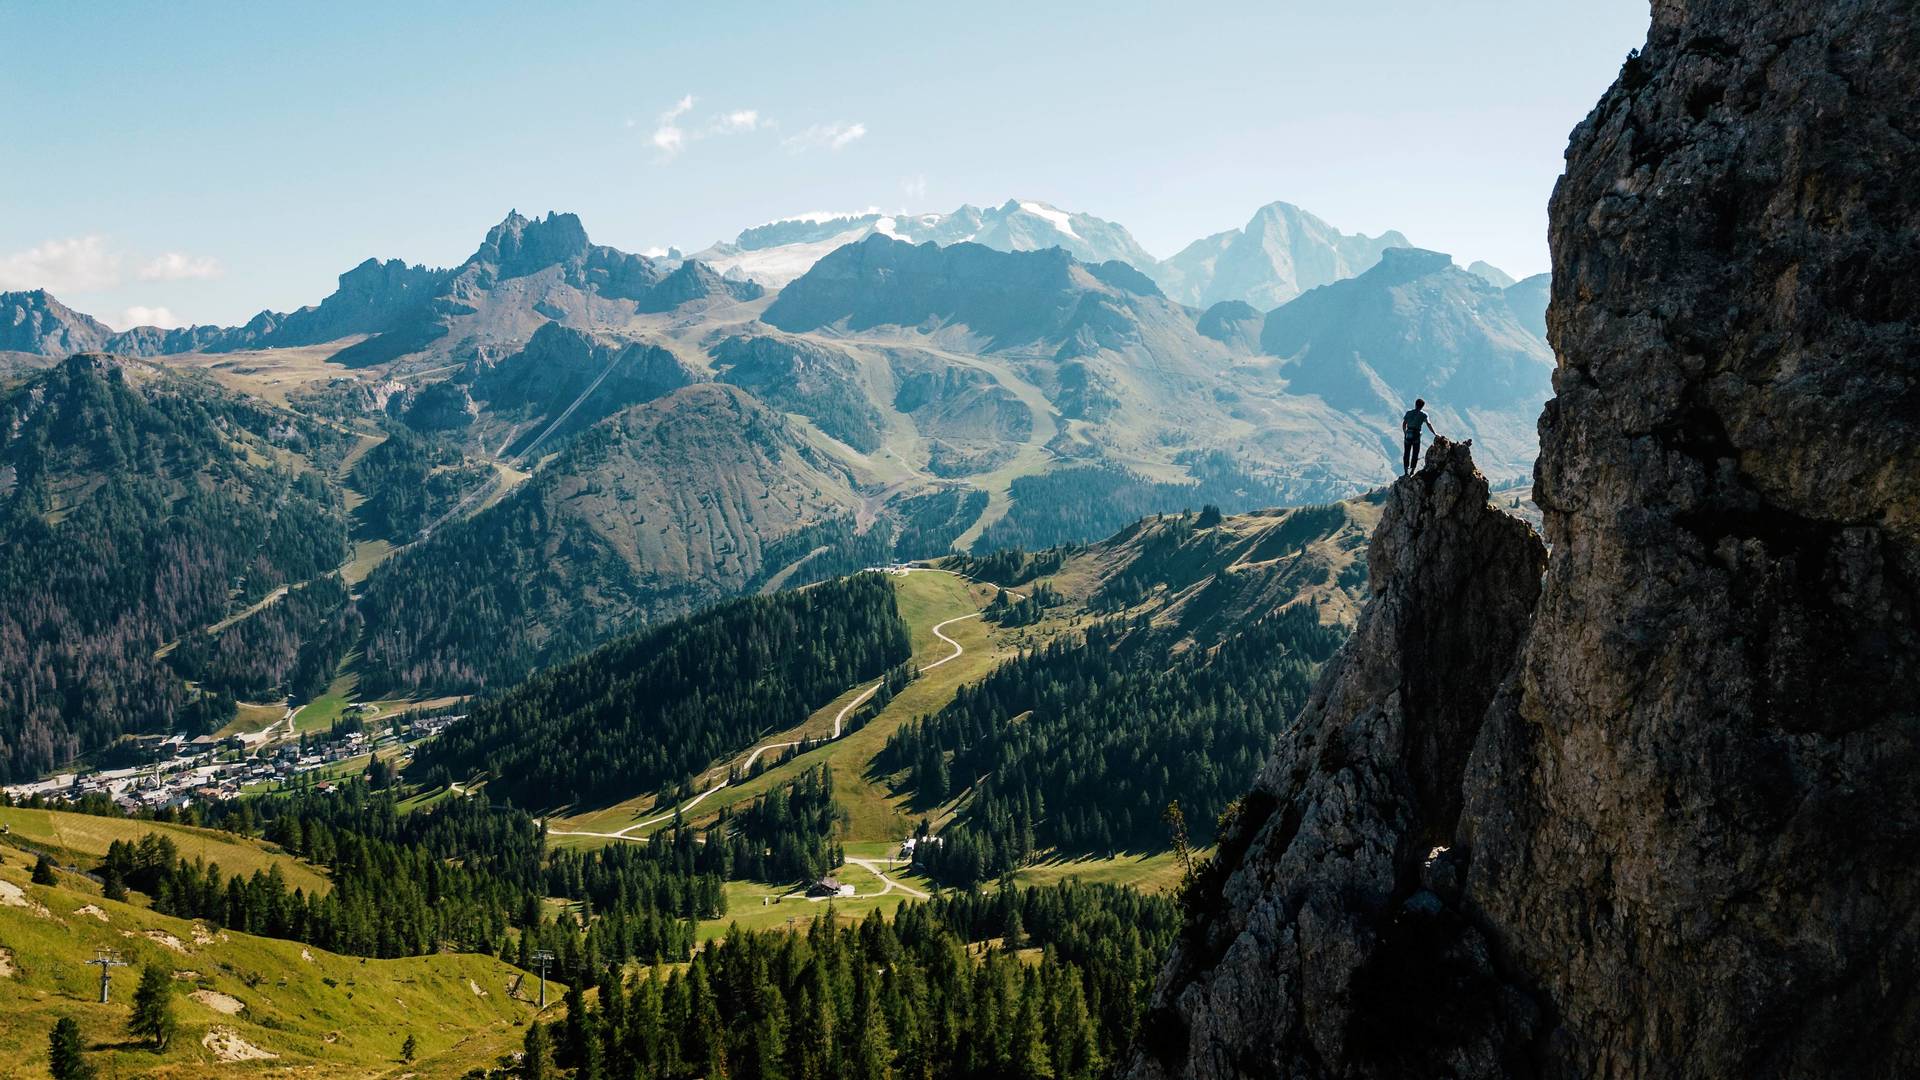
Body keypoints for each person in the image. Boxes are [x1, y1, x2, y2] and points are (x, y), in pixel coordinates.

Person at [1402, 398, 1436, 475]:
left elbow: (1404, 424)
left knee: (1406, 453)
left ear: (1415, 404)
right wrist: (1435, 433)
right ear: (1422, 406)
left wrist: (1405, 432)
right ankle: (1412, 471)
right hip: (1416, 435)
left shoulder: (1408, 413)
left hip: (1408, 434)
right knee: (1415, 453)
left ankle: (1406, 471)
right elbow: (1429, 424)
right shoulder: (1424, 414)